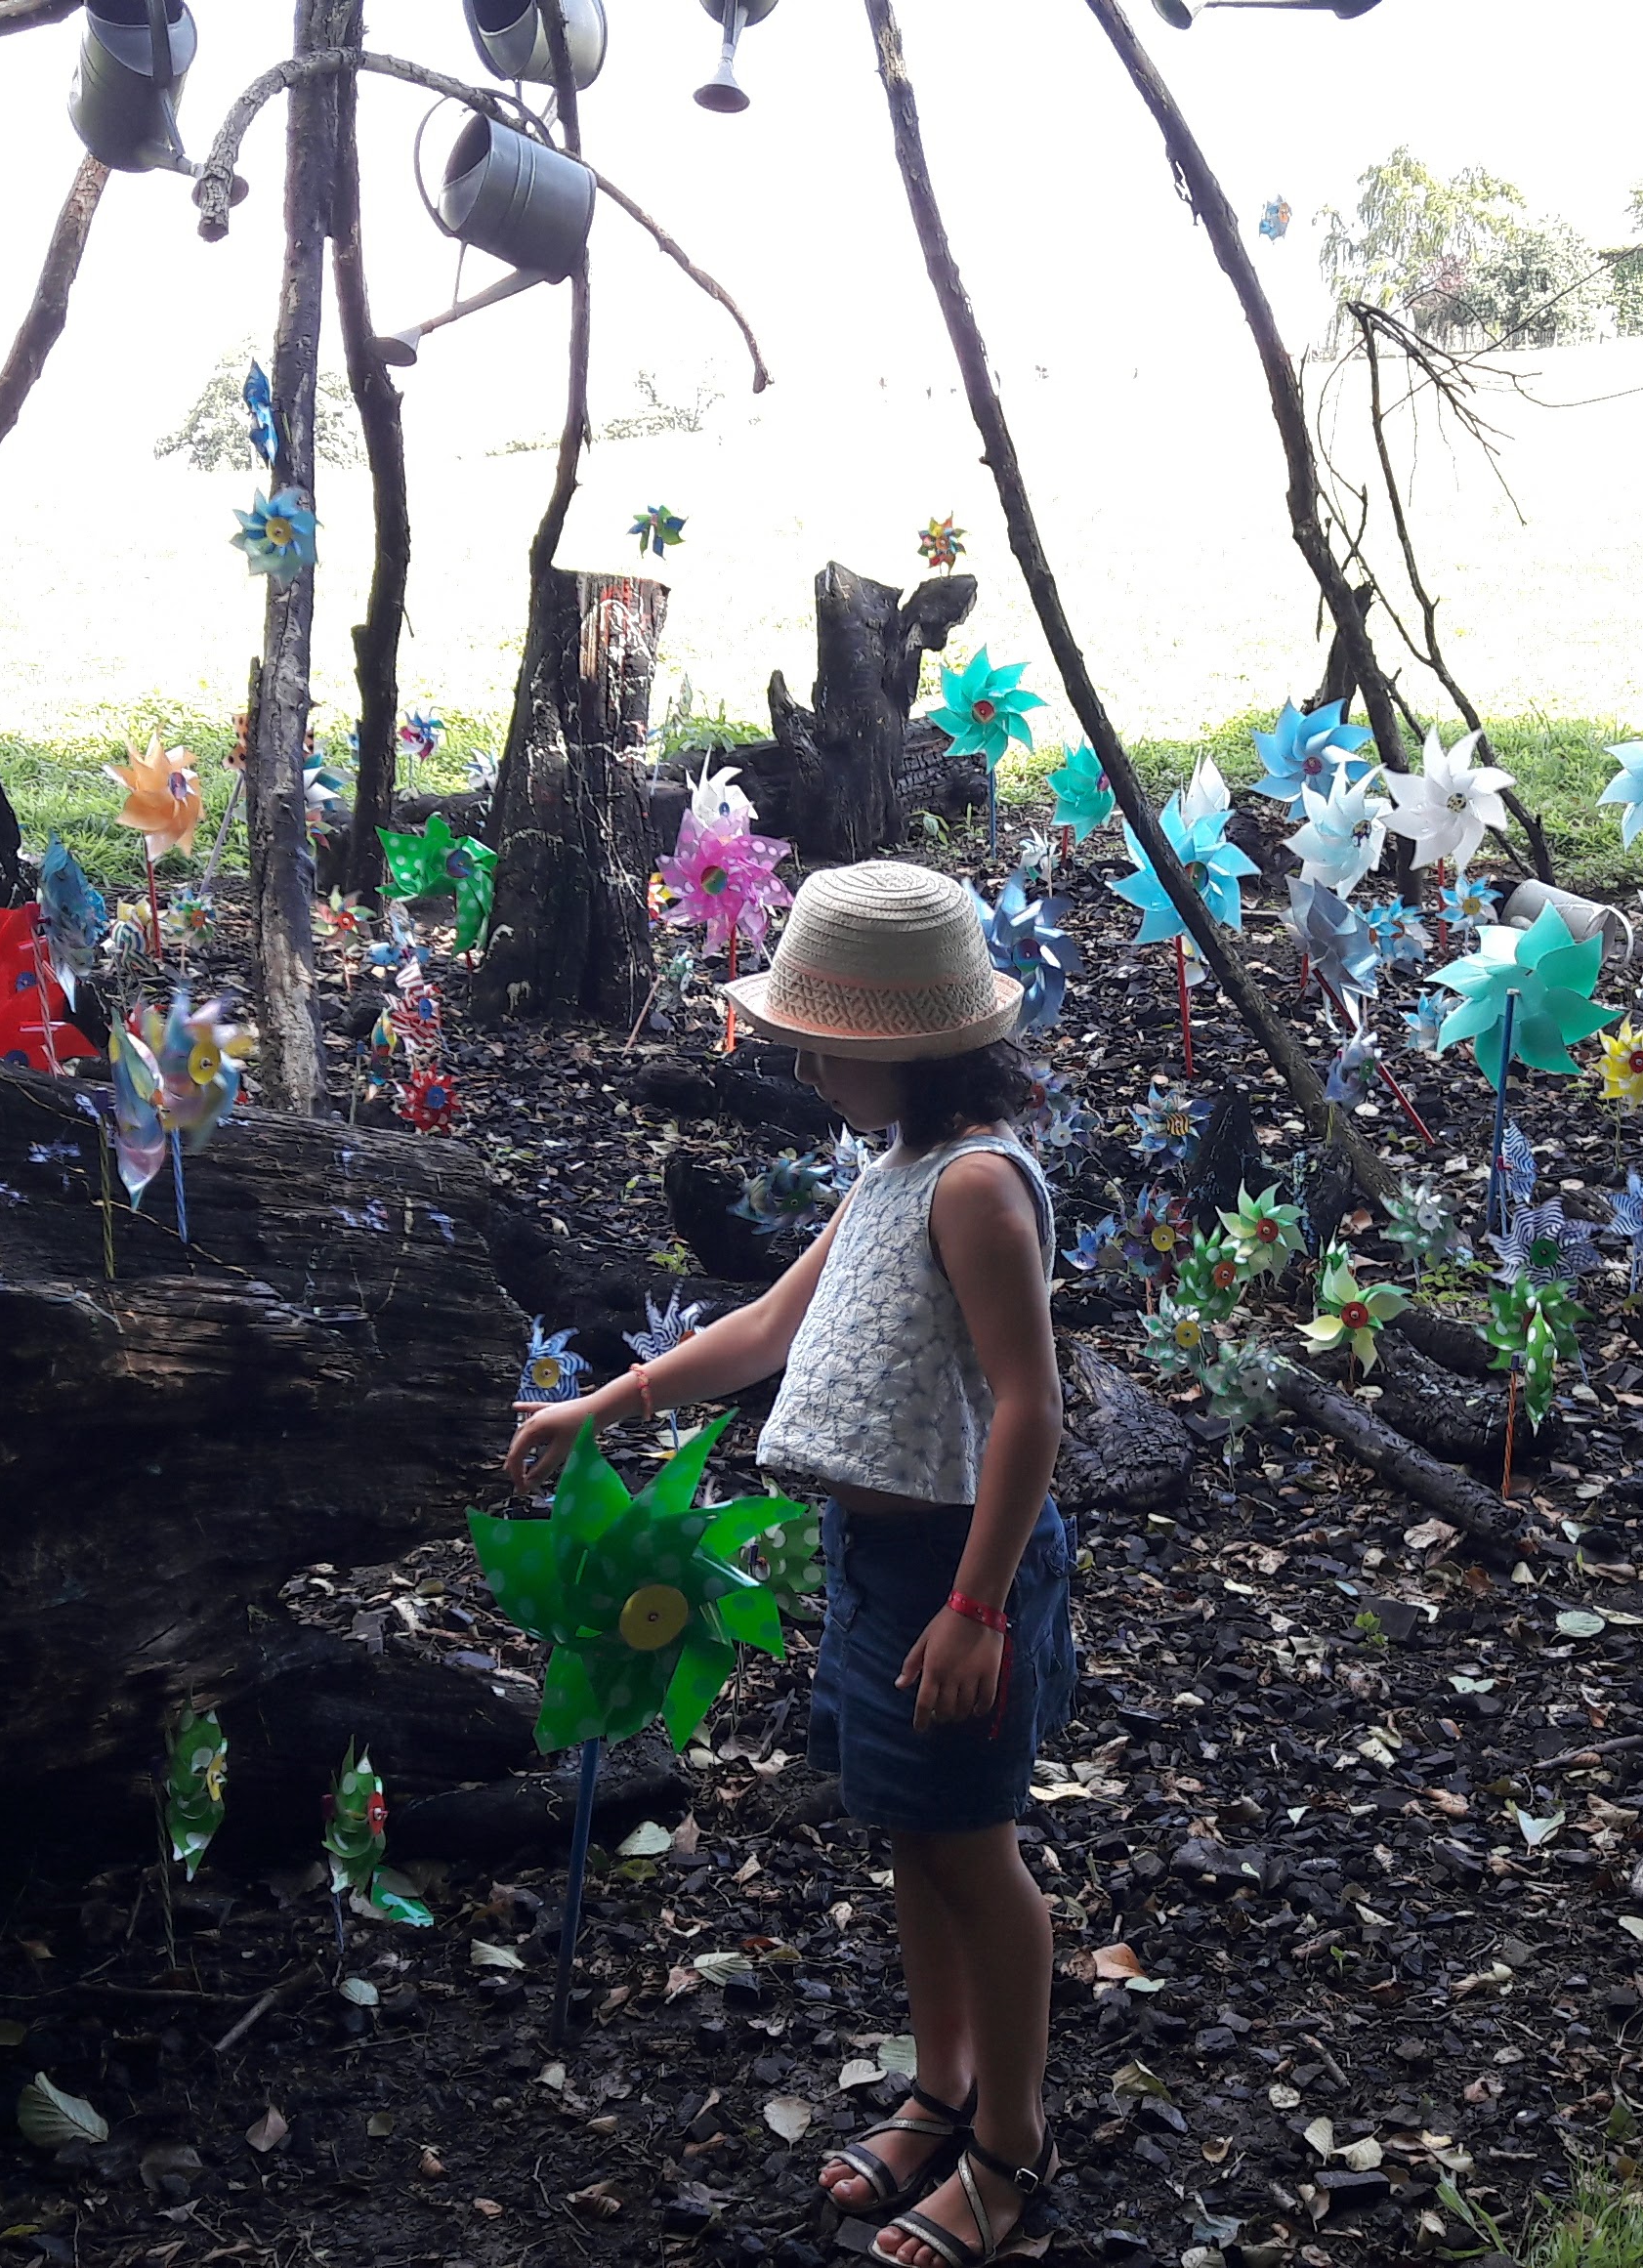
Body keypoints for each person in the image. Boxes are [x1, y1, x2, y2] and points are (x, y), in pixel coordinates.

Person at [506, 861, 1072, 2267]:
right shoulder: (893, 1169)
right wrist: (609, 1403)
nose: (804, 1066)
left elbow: (1030, 1408)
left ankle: (1009, 2146)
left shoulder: (978, 1189)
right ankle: (940, 2085)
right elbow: (767, 1323)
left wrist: (977, 1607)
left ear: (910, 1045)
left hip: (956, 1567)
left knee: (974, 1849)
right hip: (879, 1556)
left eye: (824, 1043)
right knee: (912, 1831)